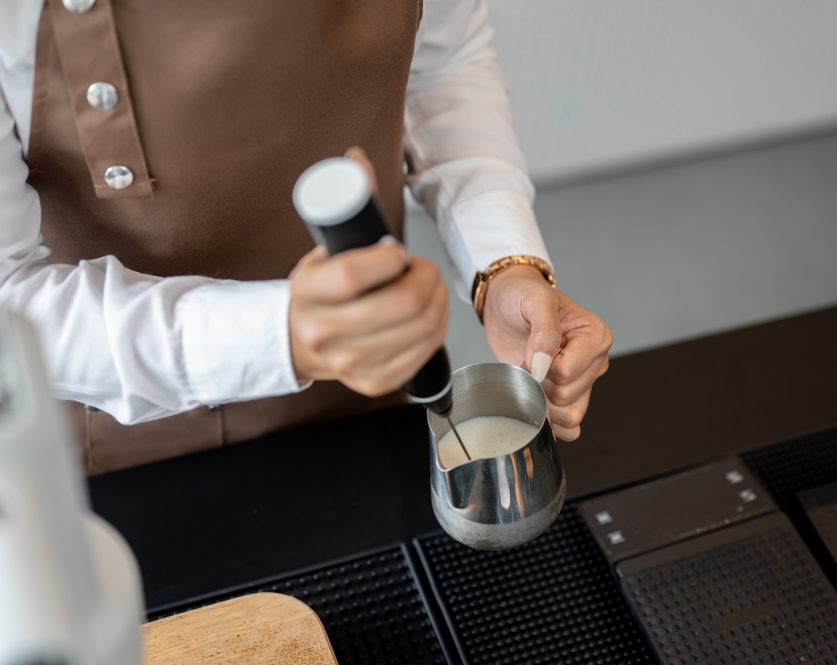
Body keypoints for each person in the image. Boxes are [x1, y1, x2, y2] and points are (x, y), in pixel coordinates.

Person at [0, 0, 612, 474]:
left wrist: (504, 261)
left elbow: (442, 62)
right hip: (110, 431)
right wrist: (278, 336)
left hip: (359, 391)